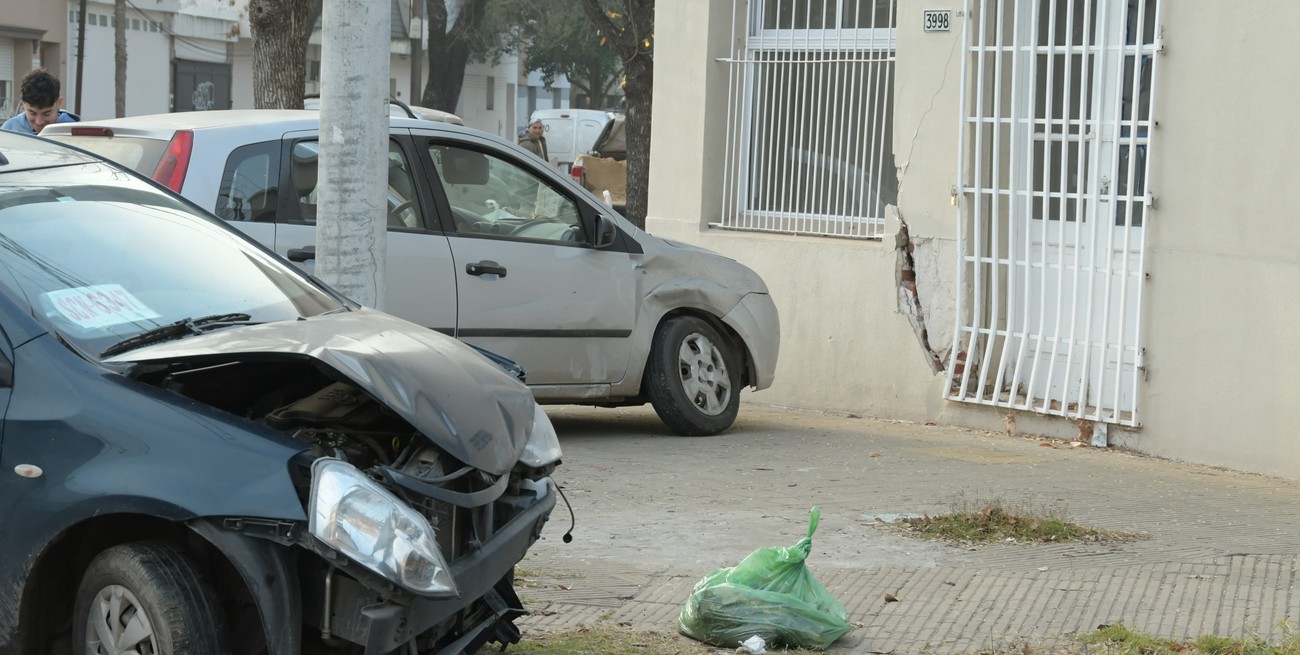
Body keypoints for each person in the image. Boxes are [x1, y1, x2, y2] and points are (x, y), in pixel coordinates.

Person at [2, 69, 79, 134]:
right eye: (32, 113)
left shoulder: (74, 131)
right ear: (23, 104)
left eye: (47, 114)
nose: (39, 122)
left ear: (59, 103)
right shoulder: (9, 130)